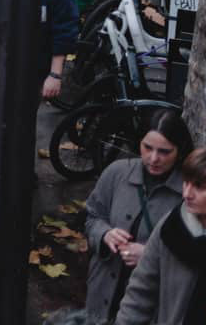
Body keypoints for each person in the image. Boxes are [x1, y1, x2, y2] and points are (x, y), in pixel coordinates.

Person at [114, 146, 206, 325]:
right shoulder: (172, 227)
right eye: (186, 182)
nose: (187, 194)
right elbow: (141, 290)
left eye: (199, 187)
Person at [83, 110, 192, 323]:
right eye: (147, 147)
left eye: (164, 152)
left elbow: (193, 258)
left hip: (151, 308)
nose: (154, 158)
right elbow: (91, 216)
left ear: (180, 151)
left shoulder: (188, 195)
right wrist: (104, 234)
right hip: (100, 296)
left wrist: (149, 258)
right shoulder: (116, 173)